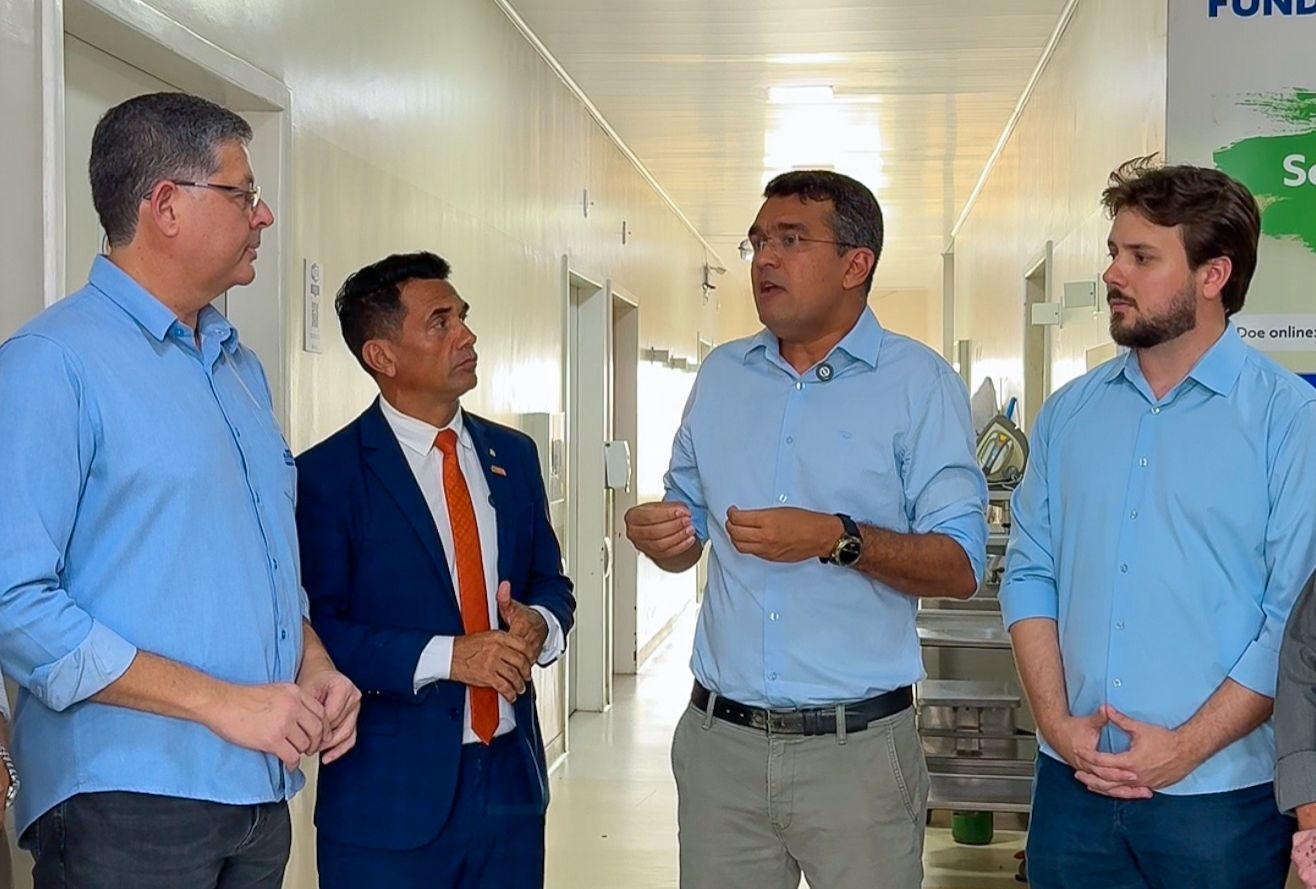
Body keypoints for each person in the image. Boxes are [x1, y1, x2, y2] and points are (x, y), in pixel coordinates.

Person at [0, 91, 359, 889]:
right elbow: (14, 602)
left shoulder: (239, 368)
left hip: (257, 790)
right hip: (125, 802)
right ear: (165, 205)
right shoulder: (51, 363)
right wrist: (220, 702)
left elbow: (257, 564)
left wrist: (313, 662)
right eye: (242, 193)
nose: (263, 216)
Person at [625, 170, 988, 889]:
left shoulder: (919, 384)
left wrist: (836, 538)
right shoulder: (722, 377)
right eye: (758, 240)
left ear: (857, 264)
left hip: (857, 757)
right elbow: (687, 523)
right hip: (720, 750)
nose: (765, 258)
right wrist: (662, 535)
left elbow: (960, 565)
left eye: (791, 240)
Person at [1001, 158, 1316, 889]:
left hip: (1221, 802)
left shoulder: (1289, 422)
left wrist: (1185, 748)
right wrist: (1057, 725)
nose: (1114, 274)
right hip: (1073, 788)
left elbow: (1292, 622)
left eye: (1143, 257)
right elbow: (1031, 573)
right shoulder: (1069, 415)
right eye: (1115, 252)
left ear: (1214, 275)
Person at [297, 251, 575, 888]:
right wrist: (450, 657)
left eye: (463, 317)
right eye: (440, 322)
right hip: (387, 802)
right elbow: (317, 631)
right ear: (382, 356)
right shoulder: (327, 477)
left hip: (510, 784)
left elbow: (551, 582)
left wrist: (542, 623)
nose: (466, 335)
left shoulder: (514, 457)